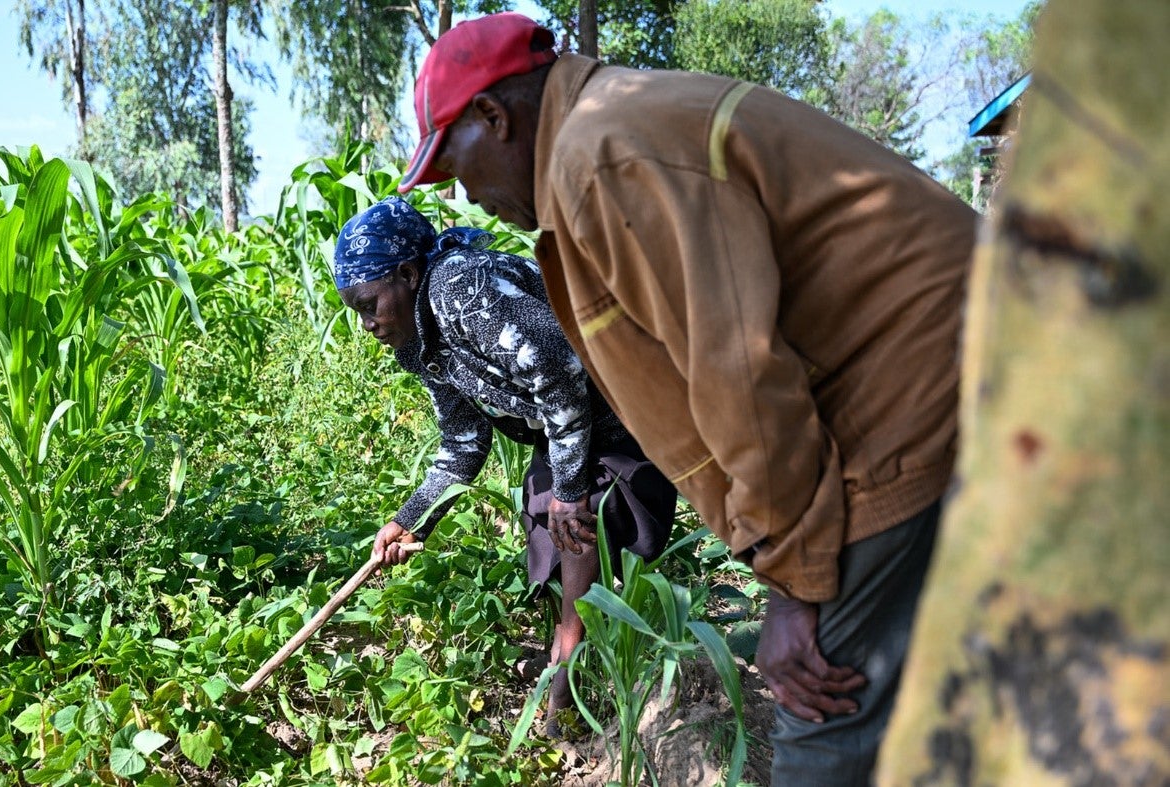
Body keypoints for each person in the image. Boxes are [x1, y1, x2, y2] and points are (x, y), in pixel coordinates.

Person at [396, 13, 977, 786]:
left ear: (492, 118)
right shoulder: (605, 133)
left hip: (912, 383)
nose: (465, 195)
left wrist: (793, 585)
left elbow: (739, 375)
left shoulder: (600, 157)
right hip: (944, 360)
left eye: (456, 167)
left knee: (822, 707)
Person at [333, 196, 677, 734]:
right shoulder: (419, 344)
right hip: (573, 427)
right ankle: (579, 674)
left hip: (628, 403)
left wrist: (570, 486)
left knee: (574, 526)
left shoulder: (460, 288)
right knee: (551, 524)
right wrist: (411, 519)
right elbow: (463, 445)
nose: (368, 323)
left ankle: (564, 702)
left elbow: (561, 370)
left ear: (407, 273)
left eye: (369, 304)